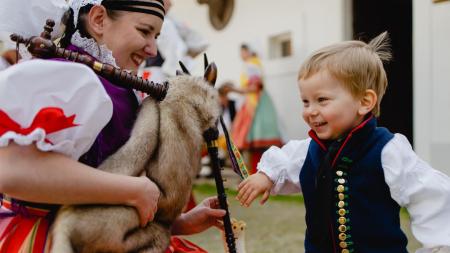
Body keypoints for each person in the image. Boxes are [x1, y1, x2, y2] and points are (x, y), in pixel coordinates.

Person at [0, 0, 225, 252]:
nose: (152, 49)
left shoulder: (112, 85)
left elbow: (94, 199)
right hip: (47, 240)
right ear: (98, 20)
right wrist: (133, 189)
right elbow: (13, 171)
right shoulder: (73, 78)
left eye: (156, 36)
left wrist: (179, 223)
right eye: (144, 31)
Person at [236, 32, 450, 253]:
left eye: (322, 100)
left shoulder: (387, 150)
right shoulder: (308, 151)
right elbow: (285, 161)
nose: (310, 111)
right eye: (305, 101)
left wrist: (439, 246)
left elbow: (431, 197)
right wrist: (265, 176)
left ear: (364, 102)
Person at [230, 44, 282, 174]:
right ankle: (254, 173)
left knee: (254, 140)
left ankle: (256, 173)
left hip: (256, 103)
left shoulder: (251, 64)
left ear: (249, 52)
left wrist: (233, 89)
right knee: (252, 142)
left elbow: (254, 87)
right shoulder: (252, 64)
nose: (241, 55)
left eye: (243, 52)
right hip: (253, 102)